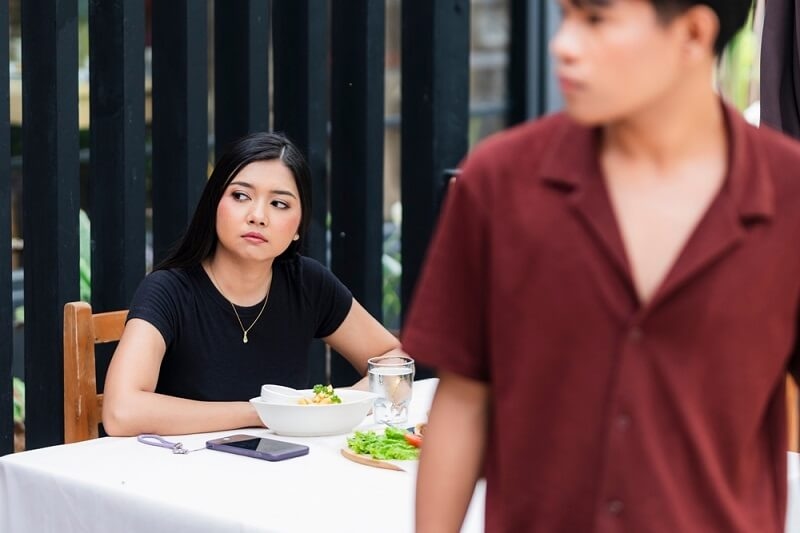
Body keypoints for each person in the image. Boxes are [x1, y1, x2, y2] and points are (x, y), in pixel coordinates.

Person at [403, 1, 800, 531]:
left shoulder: (789, 197)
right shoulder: (498, 184)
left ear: (692, 33)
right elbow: (462, 402)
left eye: (595, 20)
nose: (562, 45)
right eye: (565, 16)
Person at [103, 132, 401, 436]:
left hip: (289, 459)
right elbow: (121, 412)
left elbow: (395, 358)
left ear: (298, 227)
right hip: (183, 462)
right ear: (214, 203)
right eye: (241, 196)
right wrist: (264, 412)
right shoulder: (168, 290)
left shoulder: (308, 283)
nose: (258, 216)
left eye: (279, 203)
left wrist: (335, 406)